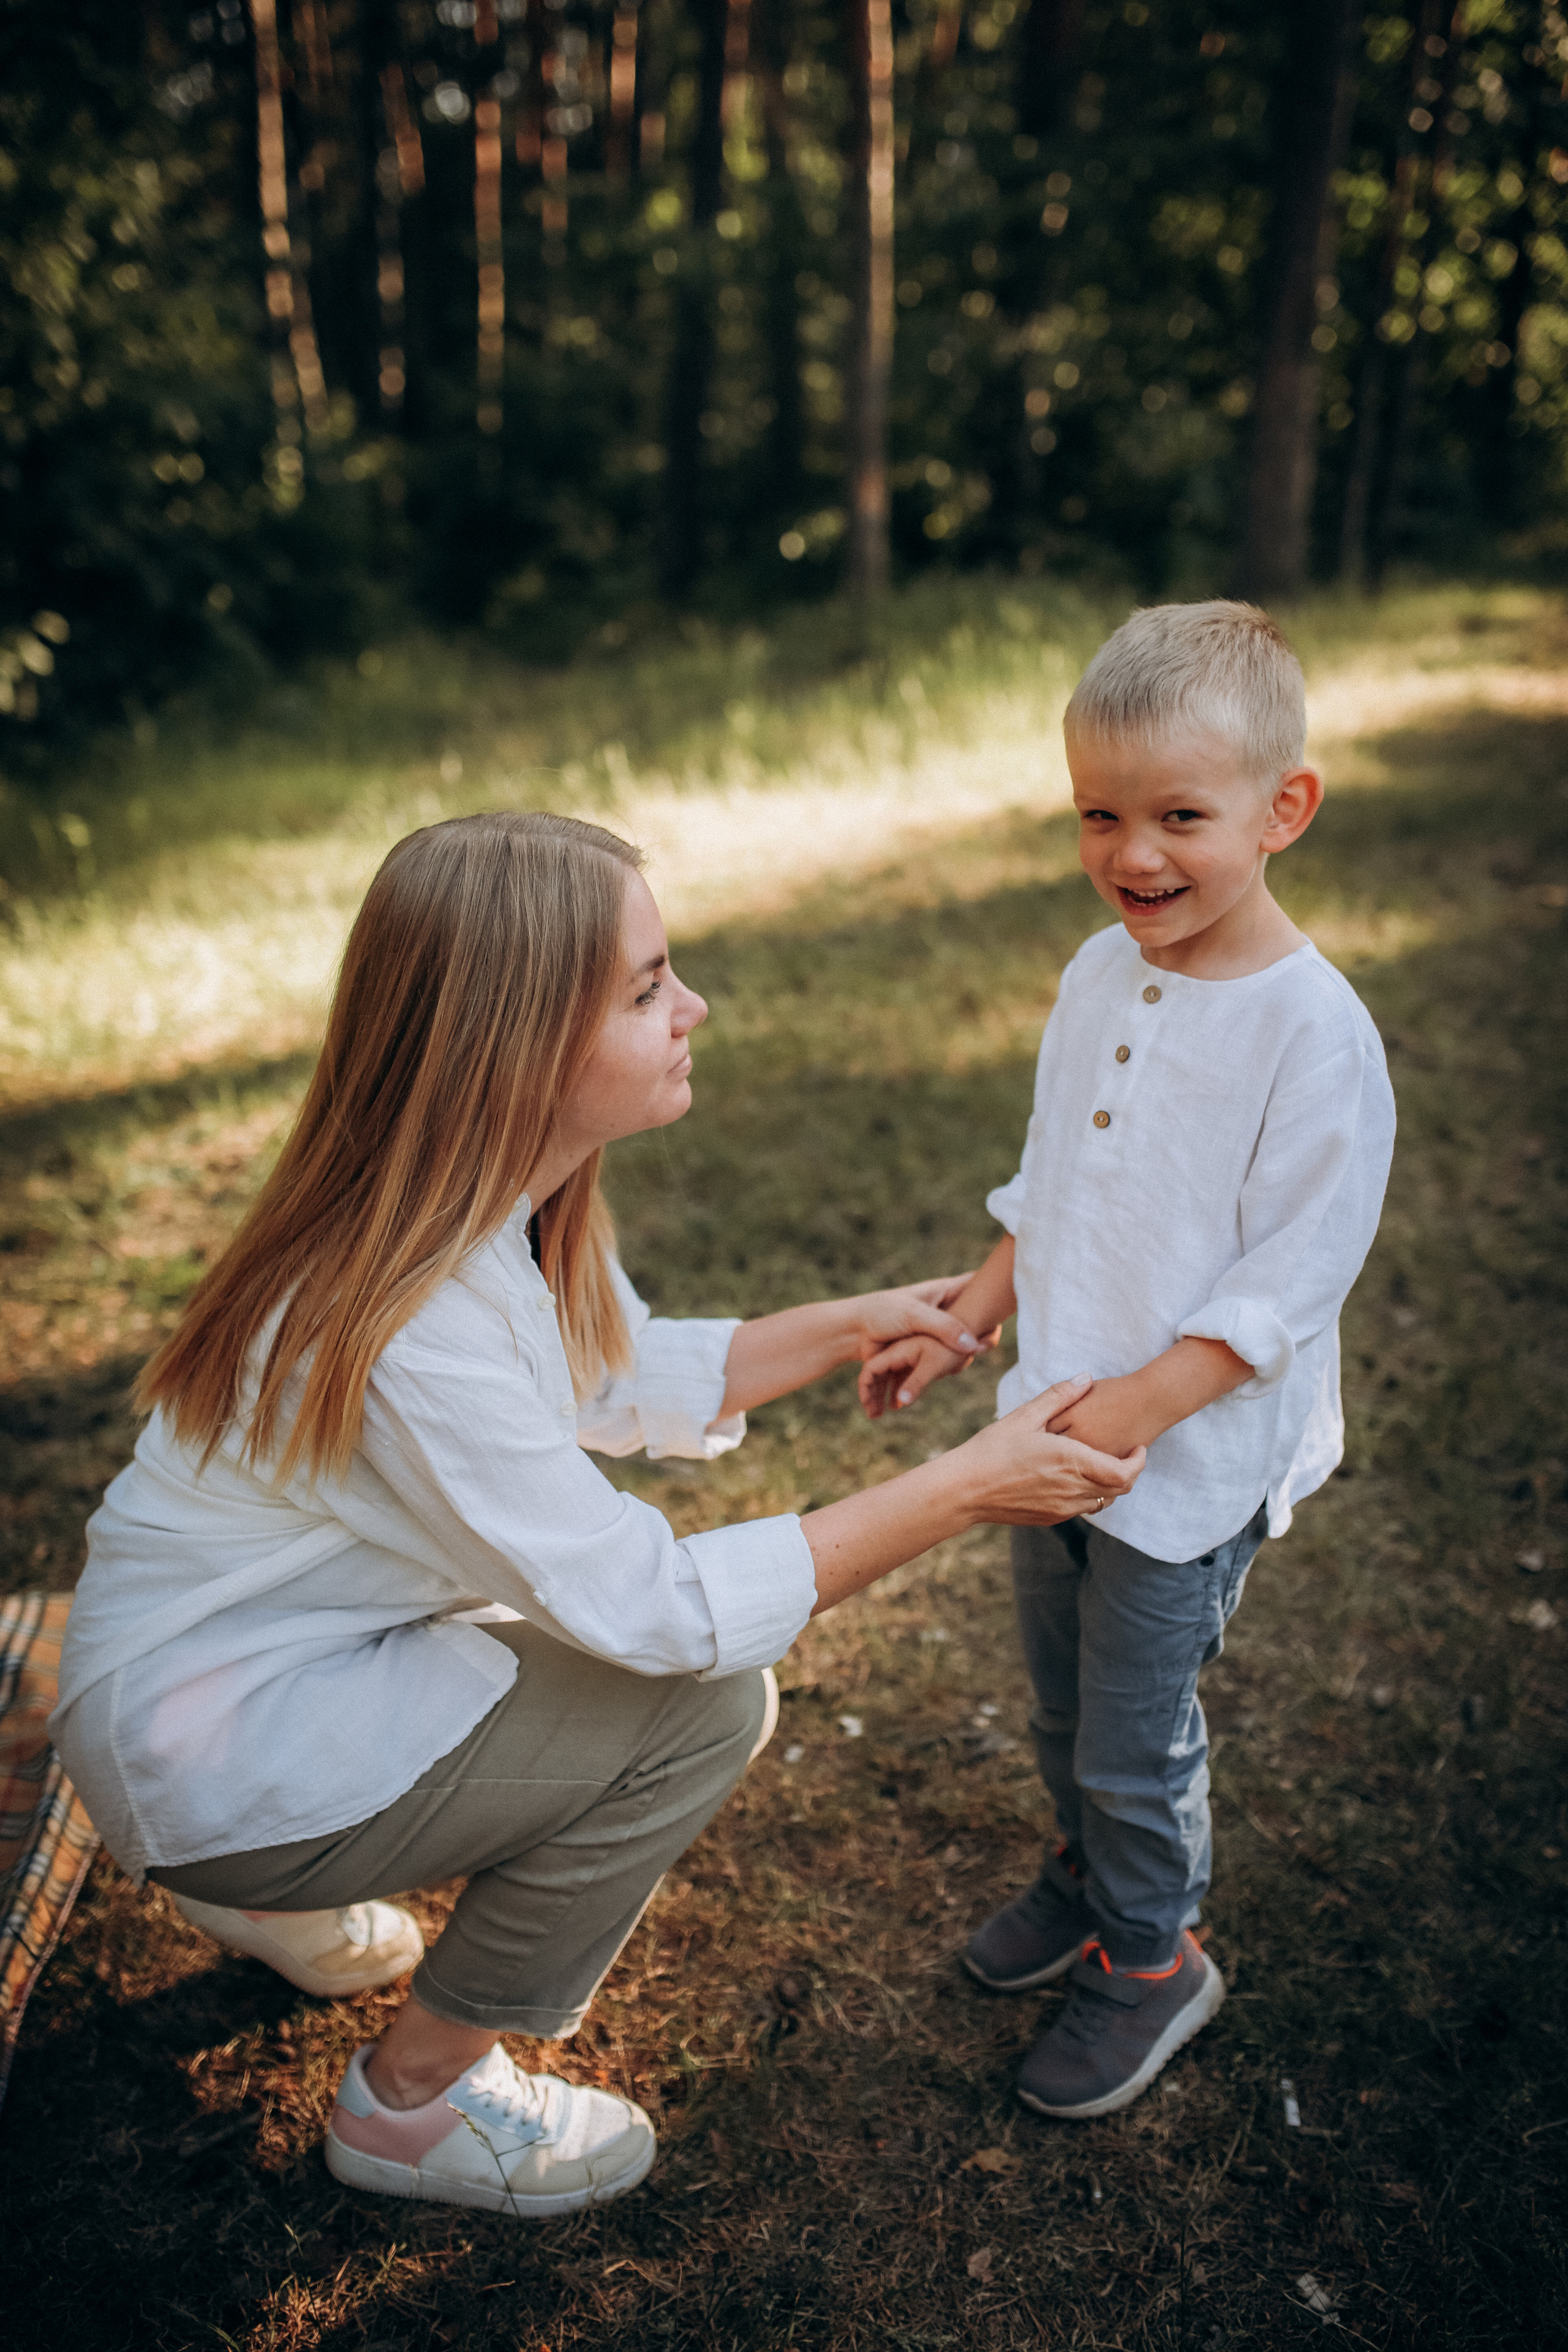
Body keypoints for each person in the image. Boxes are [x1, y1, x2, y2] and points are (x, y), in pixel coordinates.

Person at [51, 810, 1142, 2219]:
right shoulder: (410, 1323)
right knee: (699, 1708)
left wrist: (846, 1323)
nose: (692, 1007)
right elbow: (654, 1613)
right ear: (511, 1045)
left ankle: (264, 1888)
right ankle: (412, 2103)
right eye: (644, 988)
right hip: (205, 1744)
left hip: (197, 1687)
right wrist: (965, 1484)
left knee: (558, 1639)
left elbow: (605, 1373)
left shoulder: (469, 1206)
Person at [859, 603, 1396, 2121]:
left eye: (1178, 817)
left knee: (1132, 1732)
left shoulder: (1312, 1037)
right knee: (1055, 1700)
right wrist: (973, 1310)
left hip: (1180, 1458)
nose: (1131, 853)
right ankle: (1089, 1877)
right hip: (1056, 1433)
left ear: (1281, 810)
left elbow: (1289, 1279)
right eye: (1100, 813)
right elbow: (1057, 1177)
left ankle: (1156, 1960)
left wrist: (1141, 1412)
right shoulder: (1101, 972)